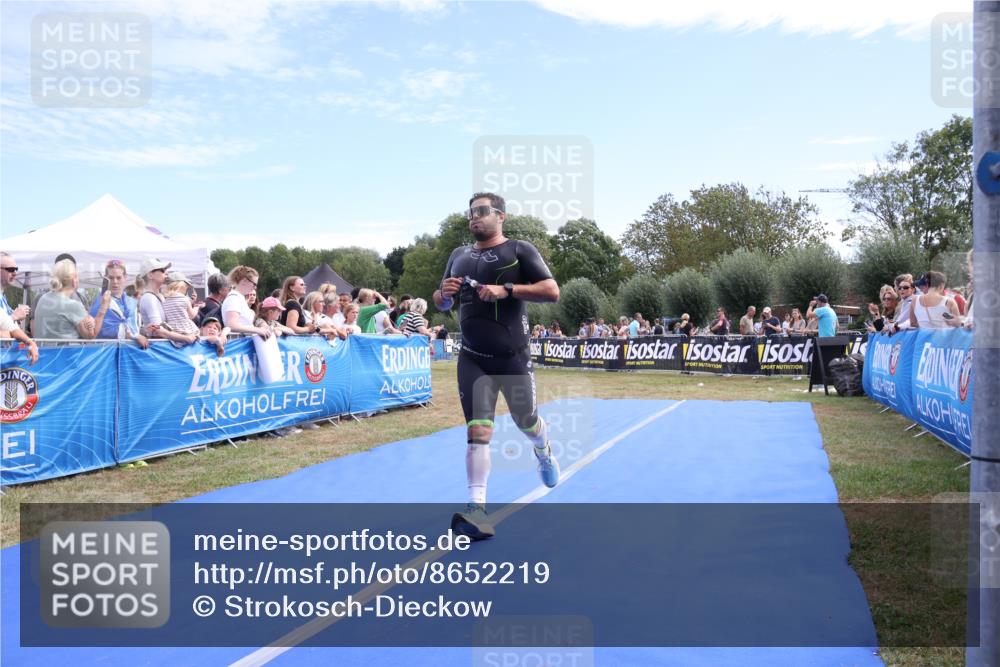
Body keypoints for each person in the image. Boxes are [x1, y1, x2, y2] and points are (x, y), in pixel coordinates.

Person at [433, 192, 561, 541]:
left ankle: (543, 450)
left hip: (512, 358)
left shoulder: (519, 250)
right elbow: (441, 302)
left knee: (527, 421)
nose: (474, 217)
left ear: (500, 216)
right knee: (478, 430)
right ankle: (477, 510)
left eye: (481, 211)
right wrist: (444, 294)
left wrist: (507, 289)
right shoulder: (458, 255)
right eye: (470, 213)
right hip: (473, 358)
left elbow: (552, 290)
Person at [31, 259, 96, 340]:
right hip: (68, 348)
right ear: (74, 280)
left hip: (42, 348)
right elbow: (90, 336)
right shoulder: (73, 305)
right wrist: (92, 324)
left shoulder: (42, 299)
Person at [90, 259, 149, 348]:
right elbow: (100, 331)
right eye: (111, 278)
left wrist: (144, 330)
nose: (115, 282)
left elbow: (133, 327)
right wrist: (133, 336)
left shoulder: (131, 302)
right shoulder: (100, 301)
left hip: (132, 350)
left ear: (125, 278)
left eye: (118, 277)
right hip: (108, 351)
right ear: (105, 278)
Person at [222, 266, 272, 339]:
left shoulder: (238, 298)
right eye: (254, 284)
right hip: (237, 342)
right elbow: (231, 325)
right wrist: (258, 330)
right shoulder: (234, 299)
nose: (255, 287)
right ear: (244, 281)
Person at [162, 272, 200, 339]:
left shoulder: (165, 300)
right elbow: (191, 315)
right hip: (186, 330)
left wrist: (191, 302)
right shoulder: (184, 299)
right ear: (182, 286)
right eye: (186, 287)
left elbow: (178, 309)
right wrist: (197, 307)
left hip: (172, 331)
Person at [0, 252, 30, 324]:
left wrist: (16, 319)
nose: (15, 273)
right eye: (11, 269)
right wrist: (14, 316)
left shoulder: (2, 296)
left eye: (16, 269)